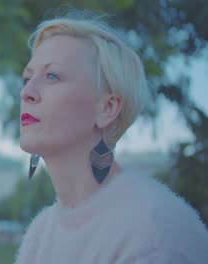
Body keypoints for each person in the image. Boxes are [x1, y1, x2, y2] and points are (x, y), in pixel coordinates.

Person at [15, 10, 208, 264]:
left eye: (52, 76)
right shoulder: (40, 234)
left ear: (106, 109)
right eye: (27, 78)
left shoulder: (155, 232)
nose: (26, 92)